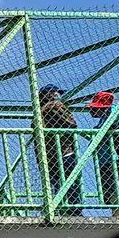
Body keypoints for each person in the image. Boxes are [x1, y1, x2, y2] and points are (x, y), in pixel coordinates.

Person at [88, 89, 119, 214]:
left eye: (95, 108)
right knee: (109, 189)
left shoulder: (116, 113)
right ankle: (116, 212)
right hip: (106, 158)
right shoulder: (103, 119)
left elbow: (114, 124)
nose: (92, 111)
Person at [39, 85, 79, 214]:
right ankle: (74, 210)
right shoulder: (55, 106)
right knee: (70, 182)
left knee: (56, 183)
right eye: (56, 93)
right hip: (64, 150)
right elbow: (72, 123)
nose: (58, 96)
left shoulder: (39, 111)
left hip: (49, 154)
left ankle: (59, 209)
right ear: (50, 95)